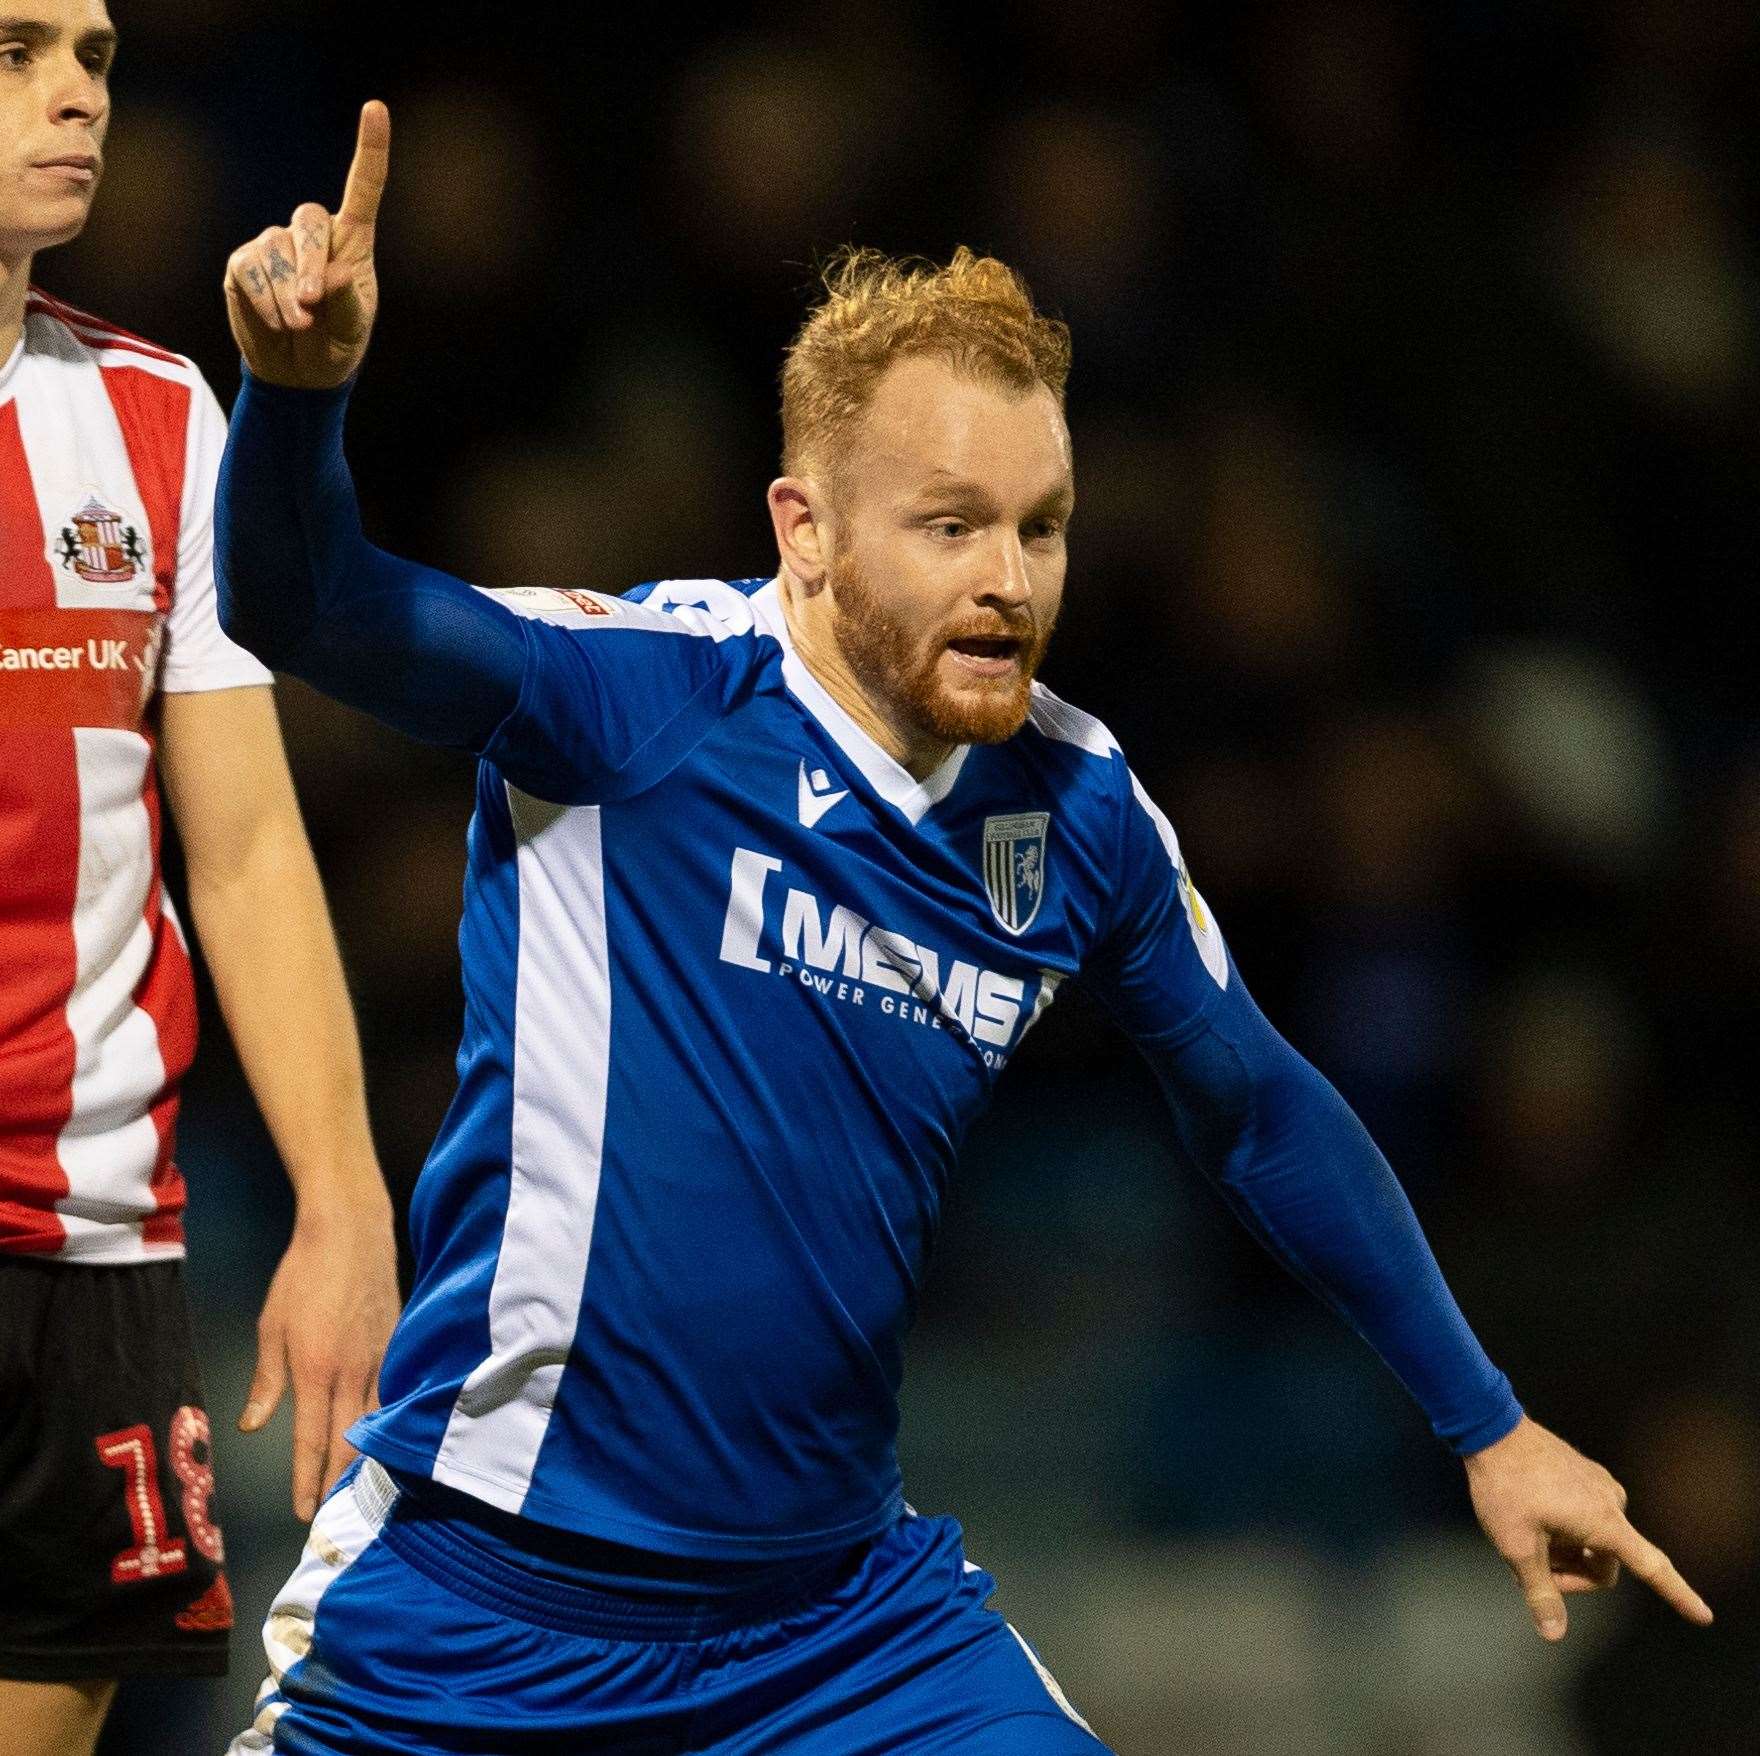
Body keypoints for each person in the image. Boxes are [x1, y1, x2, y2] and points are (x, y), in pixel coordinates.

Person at [214, 102, 1712, 1755]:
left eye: (1042, 524)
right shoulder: (639, 696)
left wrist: (1488, 1425)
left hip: (835, 1628)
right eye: (950, 526)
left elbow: (1260, 1105)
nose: (1009, 577)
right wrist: (297, 402)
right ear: (806, 531)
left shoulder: (1076, 807)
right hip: (489, 1606)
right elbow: (308, 605)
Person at [0, 11, 400, 1754]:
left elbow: (240, 847)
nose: (81, 90)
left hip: (92, 1251)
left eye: (92, 51)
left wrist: (341, 1198)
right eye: (16, 49)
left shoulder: (161, 422)